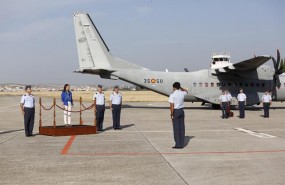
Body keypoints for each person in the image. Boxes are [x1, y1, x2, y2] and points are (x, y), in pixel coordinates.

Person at [168, 82, 188, 149]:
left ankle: (178, 144)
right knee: (182, 128)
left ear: (173, 87)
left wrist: (171, 114)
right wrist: (180, 87)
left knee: (176, 128)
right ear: (179, 87)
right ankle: (181, 144)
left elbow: (171, 105)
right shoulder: (182, 93)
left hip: (176, 111)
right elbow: (186, 91)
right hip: (181, 111)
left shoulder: (172, 94)